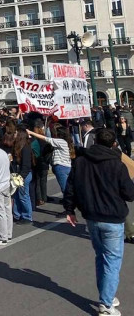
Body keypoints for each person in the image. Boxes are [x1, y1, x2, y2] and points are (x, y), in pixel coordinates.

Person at [64, 128, 134, 316]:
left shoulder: (80, 161)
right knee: (112, 260)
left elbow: (70, 188)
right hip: (112, 217)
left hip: (91, 215)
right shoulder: (117, 164)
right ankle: (106, 304)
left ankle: (107, 295)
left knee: (101, 257)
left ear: (94, 141)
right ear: (113, 144)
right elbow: (129, 193)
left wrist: (70, 209)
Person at [29, 126, 73, 194]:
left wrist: (31, 132)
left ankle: (70, 202)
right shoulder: (67, 141)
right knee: (68, 187)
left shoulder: (60, 141)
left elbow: (45, 138)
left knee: (65, 189)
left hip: (61, 166)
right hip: (67, 166)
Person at [11, 125, 33, 224]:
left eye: (16, 133)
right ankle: (17, 214)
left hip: (24, 175)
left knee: (23, 196)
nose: (14, 134)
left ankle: (27, 216)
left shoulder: (26, 148)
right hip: (17, 174)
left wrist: (21, 177)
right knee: (16, 195)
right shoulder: (17, 146)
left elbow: (26, 165)